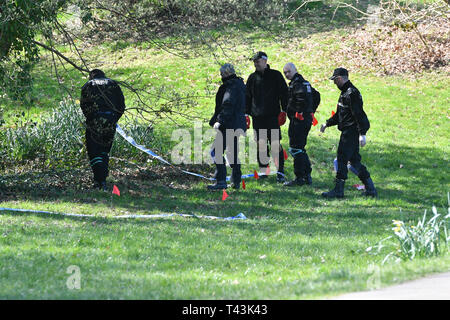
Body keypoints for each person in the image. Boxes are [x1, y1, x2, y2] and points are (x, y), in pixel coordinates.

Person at [320, 67, 377, 198]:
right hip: (348, 131)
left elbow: (359, 115)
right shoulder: (345, 93)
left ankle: (339, 191)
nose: (334, 84)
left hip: (350, 132)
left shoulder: (352, 93)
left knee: (342, 158)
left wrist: (362, 134)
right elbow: (340, 114)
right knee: (354, 162)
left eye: (335, 80)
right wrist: (327, 123)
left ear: (339, 78)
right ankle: (370, 188)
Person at [246, 51, 288, 182]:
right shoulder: (252, 78)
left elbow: (284, 94)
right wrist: (246, 113)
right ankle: (264, 170)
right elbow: (247, 97)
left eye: (257, 61)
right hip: (257, 118)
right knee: (260, 144)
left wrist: (284, 111)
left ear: (265, 61)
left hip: (272, 116)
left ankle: (280, 171)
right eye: (254, 62)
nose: (256, 64)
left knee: (275, 144)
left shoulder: (276, 75)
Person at [80, 69, 125, 190]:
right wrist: (113, 118)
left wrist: (91, 118)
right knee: (104, 151)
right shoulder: (113, 84)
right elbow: (121, 105)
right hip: (110, 121)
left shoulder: (88, 85)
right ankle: (103, 181)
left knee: (94, 151)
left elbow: (84, 105)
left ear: (91, 76)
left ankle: (98, 181)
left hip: (94, 122)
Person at [207, 63, 246, 190]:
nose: (221, 77)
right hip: (238, 123)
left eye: (222, 74)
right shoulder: (240, 84)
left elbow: (227, 105)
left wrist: (219, 121)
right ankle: (236, 180)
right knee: (232, 153)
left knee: (216, 151)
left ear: (227, 73)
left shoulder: (230, 87)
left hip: (228, 124)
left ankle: (221, 181)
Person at [282, 62, 314, 187]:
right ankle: (306, 175)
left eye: (288, 72)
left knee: (296, 148)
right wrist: (310, 111)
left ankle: (300, 177)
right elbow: (316, 95)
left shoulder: (298, 84)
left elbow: (301, 99)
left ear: (295, 70)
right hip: (303, 119)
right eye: (285, 73)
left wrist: (299, 112)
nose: (286, 74)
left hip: (299, 120)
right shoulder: (304, 82)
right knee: (299, 148)